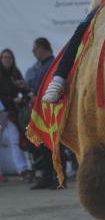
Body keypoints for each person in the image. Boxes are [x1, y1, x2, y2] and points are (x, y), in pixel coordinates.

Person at [27, 38, 66, 190]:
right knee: (44, 146)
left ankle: (57, 178)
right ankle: (48, 177)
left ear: (42, 48)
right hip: (43, 108)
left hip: (49, 109)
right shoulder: (44, 66)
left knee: (53, 145)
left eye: (35, 48)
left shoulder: (52, 65)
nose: (33, 51)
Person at [0, 48, 32, 180]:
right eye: (5, 57)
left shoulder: (16, 72)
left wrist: (25, 94)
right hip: (1, 111)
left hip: (12, 112)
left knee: (15, 139)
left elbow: (23, 90)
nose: (7, 60)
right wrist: (11, 99)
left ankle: (22, 169)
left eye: (10, 57)